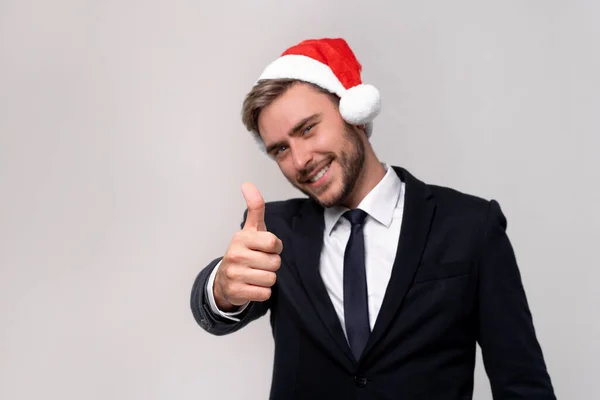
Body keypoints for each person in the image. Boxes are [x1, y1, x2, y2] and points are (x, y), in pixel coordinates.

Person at [190, 38, 556, 399]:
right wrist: (220, 289)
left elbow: (522, 385)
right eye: (281, 149)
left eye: (307, 129)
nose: (300, 159)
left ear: (355, 115)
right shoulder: (275, 231)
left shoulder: (471, 225)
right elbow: (221, 301)